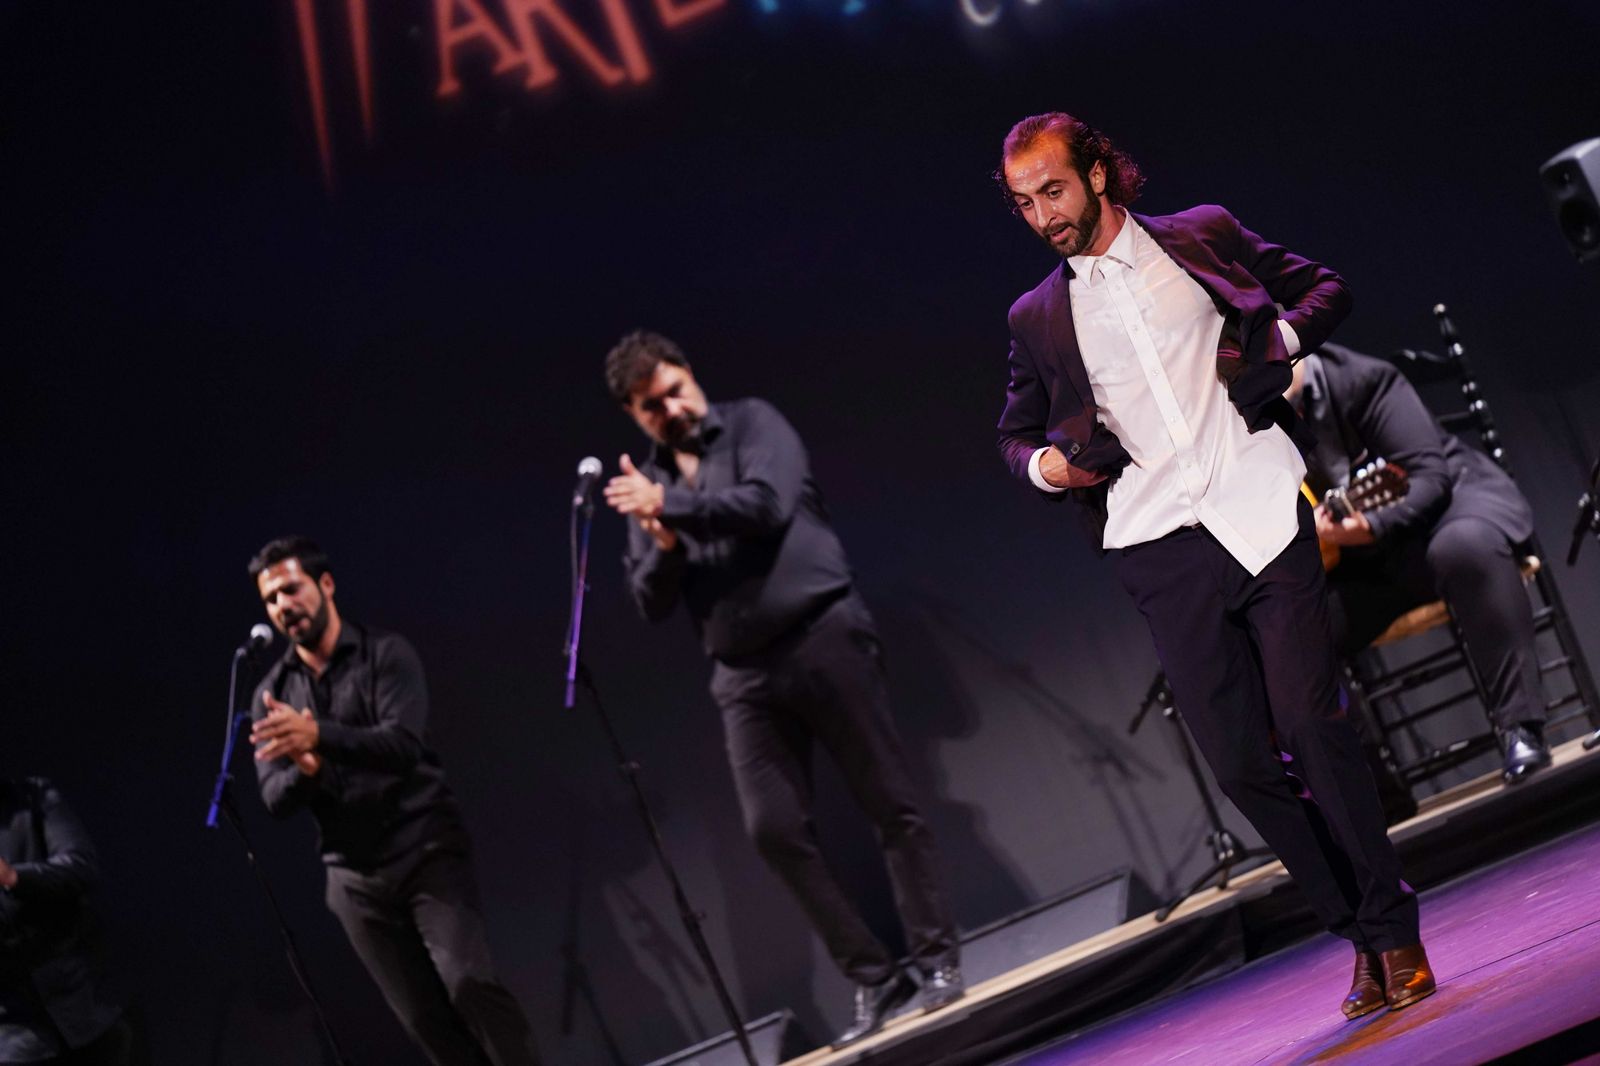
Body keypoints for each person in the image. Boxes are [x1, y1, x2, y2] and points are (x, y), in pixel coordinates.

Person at [991, 112, 1432, 1019]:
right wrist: (1052, 469)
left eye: (1055, 191)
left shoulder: (1199, 235)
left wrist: (1281, 346)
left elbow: (1322, 288)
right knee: (1239, 763)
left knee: (1313, 724)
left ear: (1099, 175)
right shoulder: (1037, 317)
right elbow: (1014, 437)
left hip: (1260, 505)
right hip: (1158, 545)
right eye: (1025, 202)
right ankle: (1354, 932)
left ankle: (1394, 933)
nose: (1043, 215)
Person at [601, 330, 962, 1048]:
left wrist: (670, 509)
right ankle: (874, 975)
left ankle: (936, 960)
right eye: (651, 407)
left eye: (674, 391)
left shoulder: (752, 423)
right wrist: (665, 542)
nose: (669, 410)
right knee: (772, 830)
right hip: (742, 673)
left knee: (888, 801)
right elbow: (648, 600)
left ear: (690, 375)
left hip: (821, 632)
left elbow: (767, 505)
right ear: (634, 415)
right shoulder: (647, 486)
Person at [246, 536, 540, 1066]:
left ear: (325, 584)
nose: (282, 606)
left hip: (424, 847)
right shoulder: (274, 692)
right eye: (270, 600)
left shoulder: (385, 653)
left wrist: (318, 738)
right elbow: (274, 796)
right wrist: (308, 775)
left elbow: (403, 746)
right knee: (424, 1021)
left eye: (290, 589)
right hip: (354, 878)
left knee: (469, 984)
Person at [1289, 343, 1551, 783]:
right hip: (1369, 564)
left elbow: (1430, 477)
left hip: (1443, 517)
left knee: (1464, 547)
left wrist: (1369, 526)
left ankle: (1520, 728)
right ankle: (1368, 787)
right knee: (1292, 631)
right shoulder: (1245, 427)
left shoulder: (1362, 379)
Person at [1, 776, 131, 1066]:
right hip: (13, 1039)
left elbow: (81, 866)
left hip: (88, 1011)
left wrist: (15, 877)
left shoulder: (35, 797)